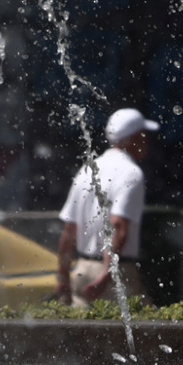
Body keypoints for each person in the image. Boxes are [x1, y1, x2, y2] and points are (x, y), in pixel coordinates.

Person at [55, 108, 159, 306]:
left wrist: (62, 275)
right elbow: (118, 225)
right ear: (134, 137)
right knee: (141, 332)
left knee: (84, 334)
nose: (147, 141)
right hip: (111, 272)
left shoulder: (87, 169)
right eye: (144, 135)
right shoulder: (131, 173)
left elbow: (69, 229)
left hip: (81, 268)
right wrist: (105, 276)